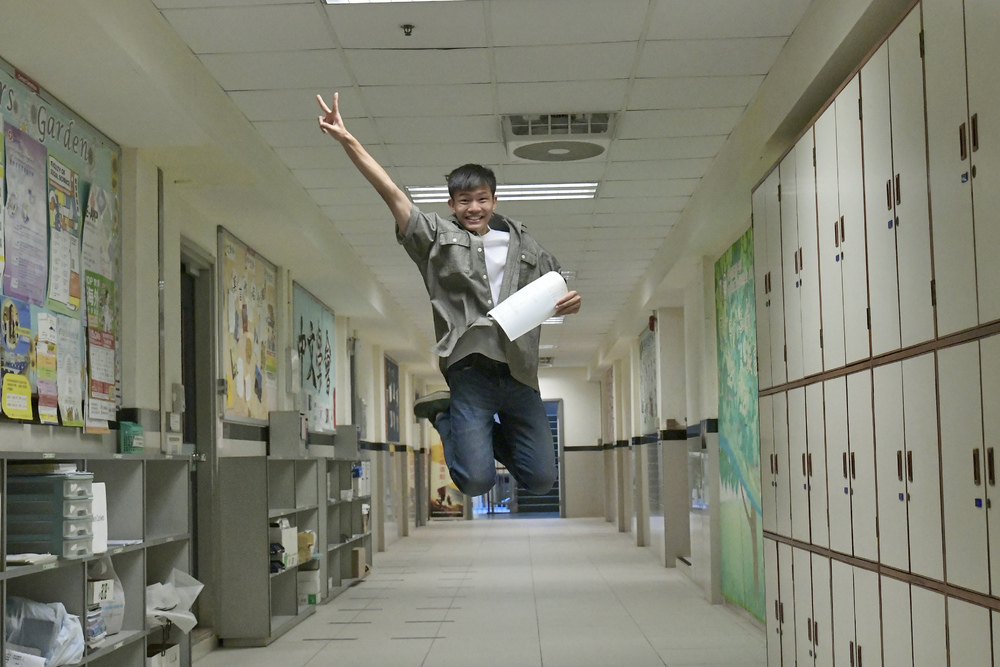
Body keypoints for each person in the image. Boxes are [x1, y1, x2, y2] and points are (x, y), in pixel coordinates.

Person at [317, 92, 581, 497]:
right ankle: (446, 417)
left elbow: (556, 287)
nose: (474, 208)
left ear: (494, 200)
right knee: (475, 481)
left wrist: (571, 302)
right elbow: (391, 193)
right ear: (452, 204)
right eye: (464, 201)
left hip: (520, 373)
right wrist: (348, 140)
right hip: (469, 371)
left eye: (482, 199)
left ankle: (459, 421)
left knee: (542, 479)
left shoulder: (526, 244)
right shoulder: (436, 238)